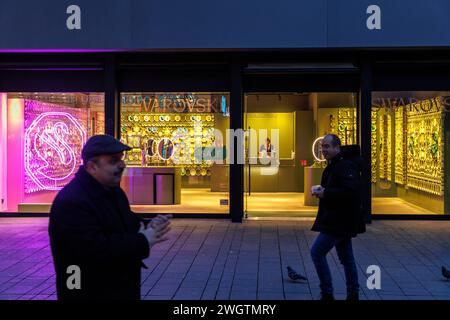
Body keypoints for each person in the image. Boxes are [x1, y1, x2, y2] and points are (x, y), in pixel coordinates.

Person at [48, 134, 172, 300]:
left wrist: (147, 224)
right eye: (113, 161)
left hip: (116, 288)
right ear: (92, 167)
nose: (122, 165)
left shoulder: (112, 190)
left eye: (121, 159)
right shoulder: (72, 202)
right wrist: (143, 240)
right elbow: (93, 250)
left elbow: (122, 219)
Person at [310, 134, 366, 301]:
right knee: (346, 257)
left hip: (338, 220)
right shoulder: (337, 165)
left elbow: (350, 192)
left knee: (317, 251)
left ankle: (327, 292)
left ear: (337, 148)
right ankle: (353, 293)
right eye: (322, 146)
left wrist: (325, 193)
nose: (323, 150)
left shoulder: (344, 166)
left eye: (327, 146)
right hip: (341, 219)